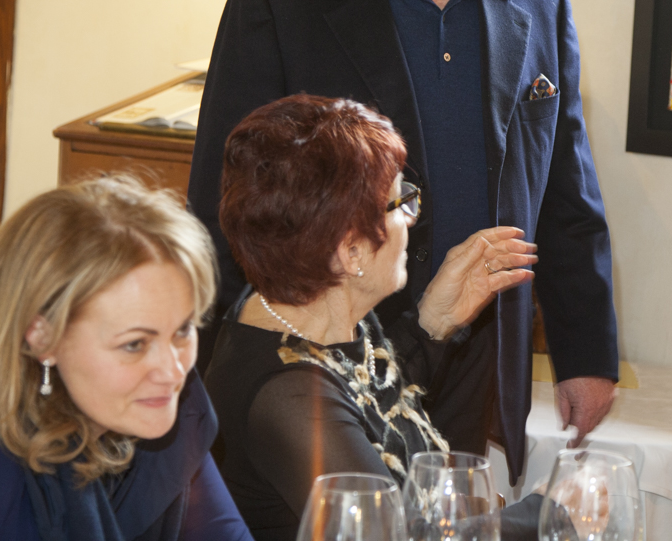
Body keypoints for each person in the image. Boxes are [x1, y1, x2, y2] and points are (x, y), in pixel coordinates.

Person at [188, 0, 619, 480]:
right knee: (357, 514)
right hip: (333, 348)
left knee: (453, 513)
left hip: (479, 344)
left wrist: (586, 354)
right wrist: (208, 360)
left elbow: (568, 194)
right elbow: (221, 200)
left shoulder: (540, 7)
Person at [204, 95, 542, 541]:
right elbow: (389, 534)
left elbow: (363, 399)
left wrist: (432, 322)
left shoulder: (311, 305)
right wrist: (545, 515)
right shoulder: (288, 397)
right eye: (400, 201)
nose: (412, 217)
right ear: (351, 251)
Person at [0, 176, 253, 541]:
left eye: (183, 330)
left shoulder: (165, 408)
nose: (173, 370)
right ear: (42, 336)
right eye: (134, 345)